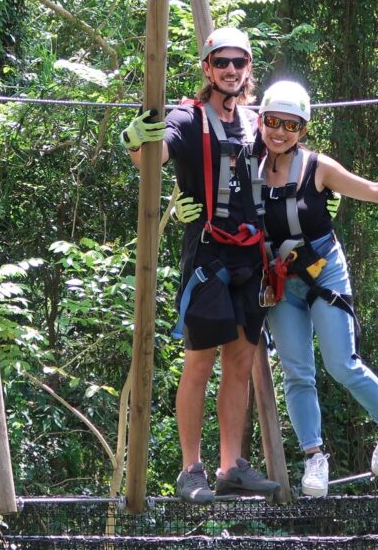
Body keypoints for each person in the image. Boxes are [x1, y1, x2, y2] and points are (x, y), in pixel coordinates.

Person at [256, 79, 378, 497]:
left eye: (291, 125)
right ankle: (314, 457)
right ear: (260, 120)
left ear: (303, 130)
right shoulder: (245, 164)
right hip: (280, 281)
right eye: (273, 121)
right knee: (296, 372)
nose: (280, 131)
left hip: (324, 272)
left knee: (340, 363)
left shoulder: (317, 167)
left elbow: (375, 191)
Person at [122, 26, 279, 504]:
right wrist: (135, 140)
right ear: (208, 69)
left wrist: (317, 200)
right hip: (208, 252)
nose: (231, 70)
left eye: (239, 63)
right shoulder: (189, 117)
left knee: (242, 360)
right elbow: (157, 148)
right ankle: (191, 469)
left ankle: (230, 466)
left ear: (248, 69)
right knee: (199, 361)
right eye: (222, 63)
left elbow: (291, 163)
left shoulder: (256, 122)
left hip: (252, 256)